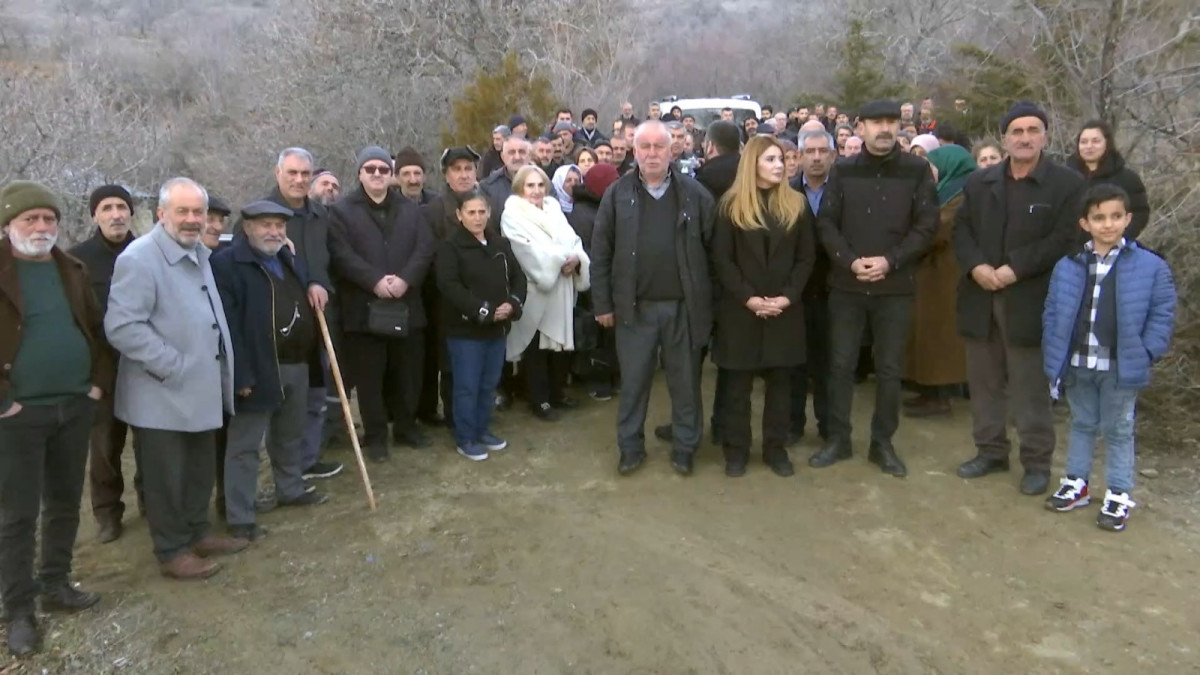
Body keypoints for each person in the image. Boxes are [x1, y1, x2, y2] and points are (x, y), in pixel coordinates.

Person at [105, 177, 247, 580]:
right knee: (167, 477)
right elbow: (122, 326)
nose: (191, 220)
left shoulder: (199, 253)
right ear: (161, 214)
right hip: (162, 393)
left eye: (197, 212)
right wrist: (172, 365)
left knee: (199, 468)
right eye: (182, 212)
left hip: (200, 389)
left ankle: (197, 532)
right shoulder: (140, 258)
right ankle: (171, 550)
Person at [0, 180, 111, 656]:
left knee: (65, 501)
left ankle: (55, 584)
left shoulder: (72, 268)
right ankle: (18, 610)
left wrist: (96, 385)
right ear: (9, 226)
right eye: (31, 219)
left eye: (49, 219)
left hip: (74, 405)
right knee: (17, 514)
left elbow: (95, 328)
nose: (42, 227)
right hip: (18, 414)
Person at [953, 102, 1086, 496]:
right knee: (984, 381)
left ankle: (1036, 462)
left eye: (1033, 130)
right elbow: (961, 231)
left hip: (1031, 298)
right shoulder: (981, 183)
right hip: (980, 295)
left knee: (1030, 386)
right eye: (1017, 131)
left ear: (1045, 136)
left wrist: (1015, 267)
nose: (1025, 138)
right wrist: (976, 266)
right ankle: (990, 450)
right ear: (1004, 138)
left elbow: (1066, 237)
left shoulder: (1066, 184)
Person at [812, 100, 939, 478]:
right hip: (847, 285)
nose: (885, 129)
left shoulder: (916, 171)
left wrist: (890, 261)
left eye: (890, 122)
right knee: (840, 364)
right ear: (860, 128)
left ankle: (882, 443)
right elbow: (827, 223)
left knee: (888, 369)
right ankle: (838, 438)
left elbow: (926, 225)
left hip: (894, 285)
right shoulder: (843, 170)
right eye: (876, 122)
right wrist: (850, 260)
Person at [1041, 184, 1176, 531]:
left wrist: (1147, 350)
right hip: (1078, 362)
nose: (1108, 224)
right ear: (1085, 223)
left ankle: (1118, 492)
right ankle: (1077, 482)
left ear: (1128, 219)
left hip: (1120, 364)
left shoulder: (1150, 266)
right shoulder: (1068, 265)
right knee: (1082, 423)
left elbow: (1162, 312)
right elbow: (1053, 310)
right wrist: (1054, 348)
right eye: (1098, 217)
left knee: (1118, 429)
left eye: (1116, 216)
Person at [592, 121, 717, 476]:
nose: (651, 153)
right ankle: (630, 447)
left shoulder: (695, 194)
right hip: (634, 309)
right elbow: (601, 252)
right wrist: (603, 304)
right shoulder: (617, 195)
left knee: (686, 384)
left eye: (658, 147)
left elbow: (714, 254)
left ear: (671, 150)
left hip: (684, 308)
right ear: (634, 152)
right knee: (633, 384)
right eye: (643, 147)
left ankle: (685, 446)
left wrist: (712, 309)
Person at [212, 201, 328, 543]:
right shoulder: (228, 265)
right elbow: (228, 326)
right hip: (258, 367)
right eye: (266, 225)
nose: (274, 232)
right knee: (245, 444)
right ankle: (240, 515)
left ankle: (290, 488)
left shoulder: (286, 259)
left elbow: (309, 287)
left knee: (289, 433)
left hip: (296, 362)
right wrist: (242, 375)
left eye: (279, 226)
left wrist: (314, 282)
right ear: (247, 228)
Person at [711, 137, 815, 478]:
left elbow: (806, 258)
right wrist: (750, 298)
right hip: (741, 311)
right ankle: (736, 450)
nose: (779, 165)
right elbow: (722, 260)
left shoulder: (797, 204)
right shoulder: (730, 205)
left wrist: (786, 297)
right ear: (753, 163)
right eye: (771, 159)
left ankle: (775, 449)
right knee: (737, 387)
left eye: (781, 159)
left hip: (785, 310)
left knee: (781, 385)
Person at [328, 146, 436, 462]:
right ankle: (375, 436)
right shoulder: (342, 211)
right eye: (370, 169)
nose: (377, 174)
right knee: (370, 378)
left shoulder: (410, 208)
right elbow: (341, 253)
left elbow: (424, 248)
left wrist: (405, 279)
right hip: (364, 308)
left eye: (382, 170)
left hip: (406, 305)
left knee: (408, 374)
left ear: (391, 175)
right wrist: (374, 280)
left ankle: (406, 427)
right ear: (360, 173)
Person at [253, 147, 340, 482]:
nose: (300, 180)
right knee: (286, 401)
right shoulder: (260, 214)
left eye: (305, 174)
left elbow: (327, 260)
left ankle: (308, 457)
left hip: (316, 317)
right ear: (278, 174)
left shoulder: (320, 215)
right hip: (278, 323)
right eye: (292, 173)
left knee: (316, 392)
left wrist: (320, 282)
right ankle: (286, 469)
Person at [68, 185, 141, 544]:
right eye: (107, 208)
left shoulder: (148, 251)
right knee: (105, 448)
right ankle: (108, 514)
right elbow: (74, 320)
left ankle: (154, 504)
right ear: (94, 215)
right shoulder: (76, 260)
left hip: (145, 365)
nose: (116, 214)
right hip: (102, 368)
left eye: (122, 207)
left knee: (152, 443)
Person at [436, 189, 527, 460]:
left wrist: (512, 303)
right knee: (467, 384)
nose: (477, 218)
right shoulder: (450, 248)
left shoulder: (500, 244)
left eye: (481, 212)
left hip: (497, 330)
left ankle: (483, 429)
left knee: (489, 383)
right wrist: (483, 310)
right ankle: (466, 437)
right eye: (471, 212)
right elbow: (450, 286)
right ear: (459, 215)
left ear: (489, 213)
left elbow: (519, 278)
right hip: (465, 331)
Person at [501, 166, 590, 421]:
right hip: (537, 287)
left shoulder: (553, 208)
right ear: (520, 187)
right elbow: (524, 250)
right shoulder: (512, 214)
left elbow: (572, 239)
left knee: (559, 345)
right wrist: (560, 260)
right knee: (536, 346)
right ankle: (538, 399)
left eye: (540, 185)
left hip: (561, 287)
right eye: (530, 186)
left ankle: (556, 393)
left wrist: (576, 258)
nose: (536, 191)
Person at [904, 145, 976, 418]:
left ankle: (940, 396)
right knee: (928, 335)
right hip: (933, 272)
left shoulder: (960, 194)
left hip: (945, 273)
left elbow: (938, 229)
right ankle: (928, 392)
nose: (930, 172)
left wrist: (913, 233)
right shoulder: (948, 190)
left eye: (933, 166)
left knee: (940, 337)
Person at [419, 146, 483, 435]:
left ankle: (477, 413)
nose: (463, 174)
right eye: (456, 169)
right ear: (446, 174)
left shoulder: (484, 204)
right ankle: (455, 417)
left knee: (479, 358)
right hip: (445, 301)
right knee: (451, 363)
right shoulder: (432, 210)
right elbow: (428, 255)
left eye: (468, 168)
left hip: (481, 296)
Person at [788, 129, 836, 444]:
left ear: (833, 156)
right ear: (800, 157)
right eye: (810, 152)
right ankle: (792, 425)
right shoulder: (786, 194)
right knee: (794, 364)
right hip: (796, 293)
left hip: (835, 292)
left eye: (823, 151)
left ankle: (830, 426)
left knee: (830, 365)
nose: (816, 157)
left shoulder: (844, 192)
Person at [566, 163, 620, 401]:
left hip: (602, 280)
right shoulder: (586, 214)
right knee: (598, 335)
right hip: (595, 283)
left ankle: (608, 378)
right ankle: (599, 381)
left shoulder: (596, 208)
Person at [1066, 120, 1151, 241]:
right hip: (1072, 249)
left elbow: (1140, 213)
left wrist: (1119, 237)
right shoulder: (1065, 177)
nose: (1089, 146)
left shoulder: (1127, 178)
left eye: (1095, 141)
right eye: (1084, 142)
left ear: (1107, 143)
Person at [480, 136, 533, 231]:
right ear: (503, 157)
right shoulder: (488, 187)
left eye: (522, 152)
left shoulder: (544, 183)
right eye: (511, 152)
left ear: (529, 156)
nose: (517, 157)